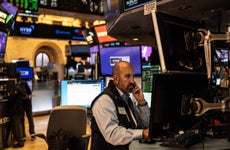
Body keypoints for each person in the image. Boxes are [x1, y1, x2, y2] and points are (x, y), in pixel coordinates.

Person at [91, 61, 150, 150]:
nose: (132, 81)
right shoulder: (104, 101)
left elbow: (144, 125)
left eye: (133, 76)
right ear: (116, 79)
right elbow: (113, 135)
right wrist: (142, 133)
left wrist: (141, 102)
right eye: (127, 76)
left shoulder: (126, 99)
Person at [15, 72, 36, 141]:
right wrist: (28, 97)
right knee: (30, 118)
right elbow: (29, 92)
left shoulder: (14, 85)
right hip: (27, 102)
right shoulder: (24, 82)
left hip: (21, 103)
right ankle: (32, 134)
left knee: (22, 120)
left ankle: (23, 136)